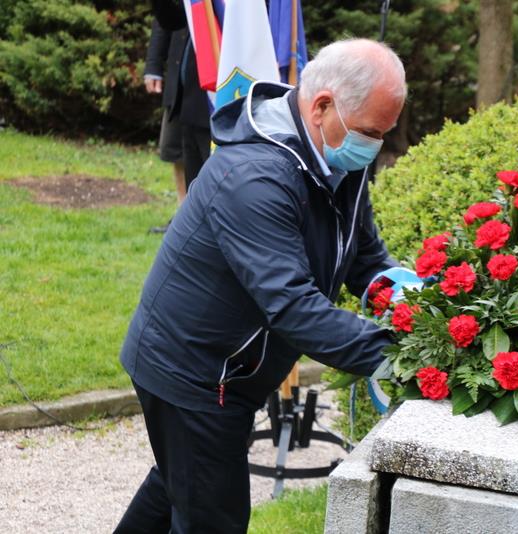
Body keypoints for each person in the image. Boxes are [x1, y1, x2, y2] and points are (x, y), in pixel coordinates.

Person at [114, 38, 406, 533]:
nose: (375, 147)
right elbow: (291, 306)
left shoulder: (337, 156)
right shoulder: (255, 176)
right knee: (212, 517)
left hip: (229, 366)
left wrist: (409, 299)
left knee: (180, 483)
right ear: (322, 106)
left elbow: (363, 256)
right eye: (371, 133)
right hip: (196, 372)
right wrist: (400, 354)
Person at [144, 19, 187, 207]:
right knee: (177, 150)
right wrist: (153, 66)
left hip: (217, 71)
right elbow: (164, 15)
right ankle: (183, 214)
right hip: (180, 74)